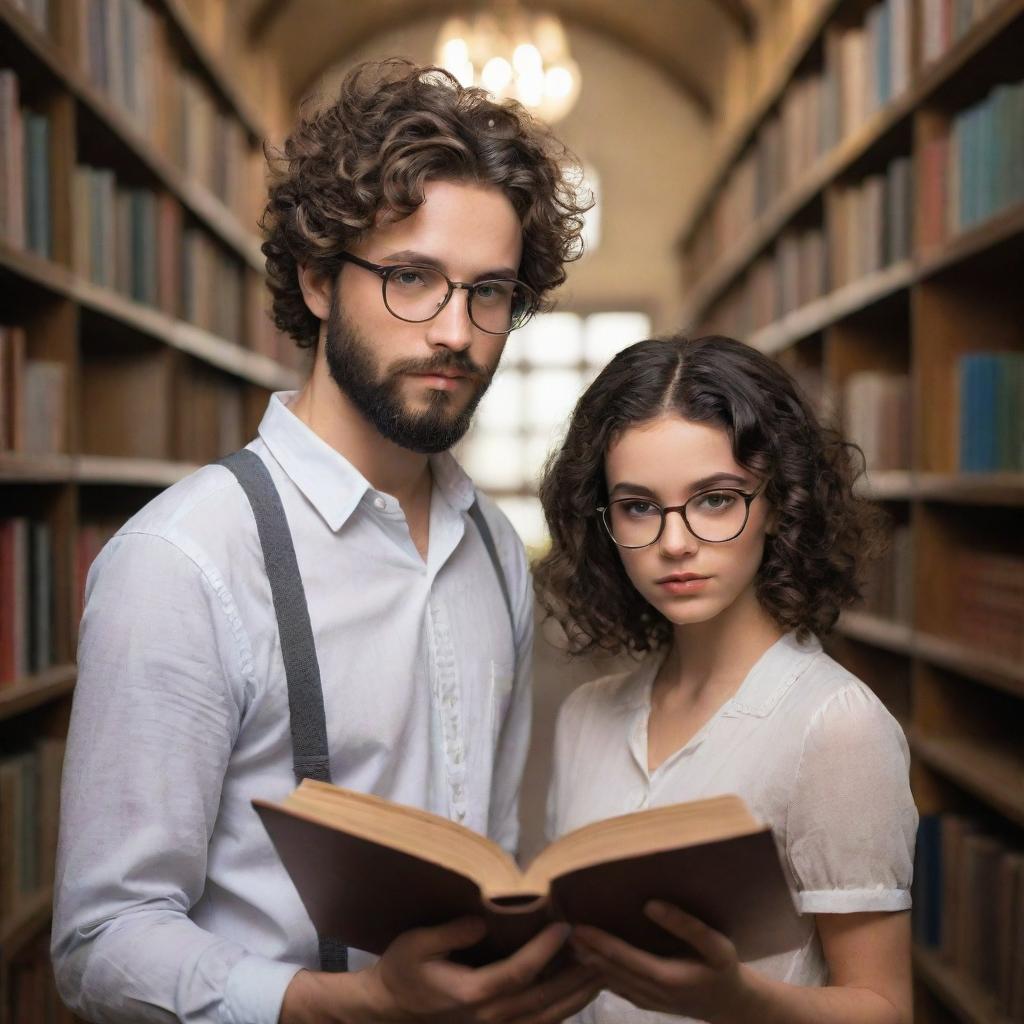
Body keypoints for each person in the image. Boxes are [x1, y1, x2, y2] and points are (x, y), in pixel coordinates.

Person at [52, 60, 599, 1024]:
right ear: (315, 278)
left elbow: (493, 848)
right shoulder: (184, 562)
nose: (456, 332)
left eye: (489, 294)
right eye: (411, 278)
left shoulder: (497, 553)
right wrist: (346, 1004)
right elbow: (102, 942)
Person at [534, 334, 918, 1024]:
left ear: (777, 503)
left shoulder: (836, 727)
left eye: (715, 499)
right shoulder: (585, 715)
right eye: (639, 506)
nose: (674, 542)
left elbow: (884, 1007)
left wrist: (737, 1000)